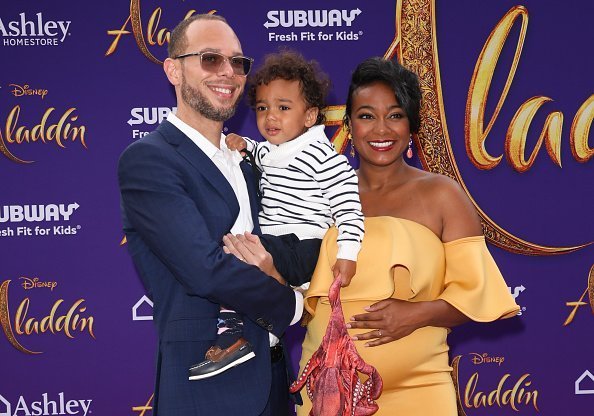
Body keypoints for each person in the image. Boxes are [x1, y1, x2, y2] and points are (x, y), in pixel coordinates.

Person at [295, 57, 520, 415]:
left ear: (412, 125)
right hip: (328, 388)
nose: (381, 129)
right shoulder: (317, 194)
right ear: (349, 125)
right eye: (367, 115)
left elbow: (476, 294)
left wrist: (416, 314)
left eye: (395, 115)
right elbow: (293, 282)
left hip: (421, 388)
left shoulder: (443, 195)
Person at [117, 14, 302, 416]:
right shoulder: (150, 160)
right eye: (210, 59)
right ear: (173, 70)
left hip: (276, 382)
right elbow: (204, 269)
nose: (228, 72)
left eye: (237, 62)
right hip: (209, 391)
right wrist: (294, 303)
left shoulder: (249, 160)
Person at [191, 50, 365, 378]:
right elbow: (266, 155)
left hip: (303, 247)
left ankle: (234, 332)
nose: (271, 117)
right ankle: (263, 334)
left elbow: (349, 207)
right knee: (235, 250)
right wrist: (246, 145)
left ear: (310, 115)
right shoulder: (275, 149)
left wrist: (348, 252)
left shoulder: (322, 156)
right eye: (262, 108)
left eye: (283, 108)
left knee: (234, 253)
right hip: (279, 243)